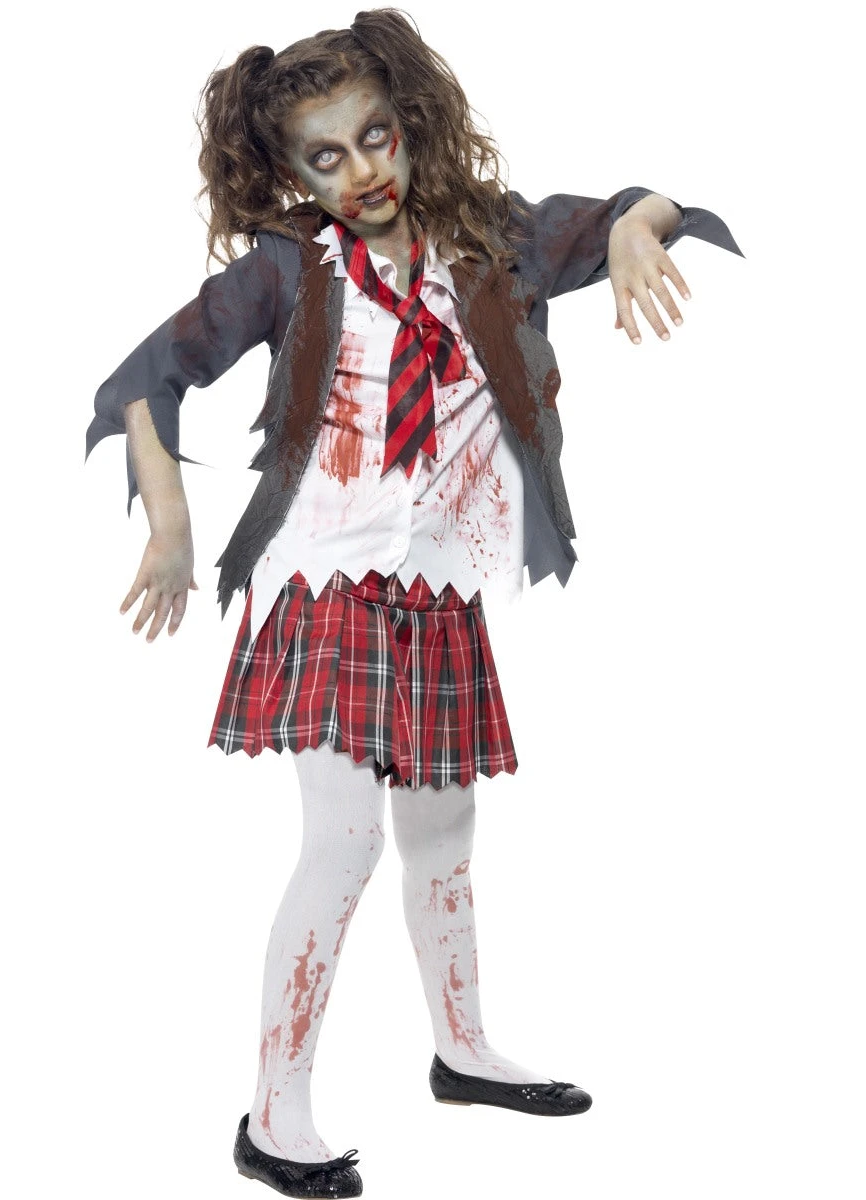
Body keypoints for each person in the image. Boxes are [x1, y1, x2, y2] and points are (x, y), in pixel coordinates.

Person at [85, 8, 743, 1197]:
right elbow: (144, 378)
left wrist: (636, 236)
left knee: (443, 833)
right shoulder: (289, 268)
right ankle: (272, 1114)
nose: (362, 171)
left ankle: (464, 1050)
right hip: (324, 585)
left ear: (410, 122)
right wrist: (171, 527)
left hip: (438, 589)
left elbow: (641, 203)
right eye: (325, 156)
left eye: (375, 136)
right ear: (290, 174)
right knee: (342, 841)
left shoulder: (492, 240)